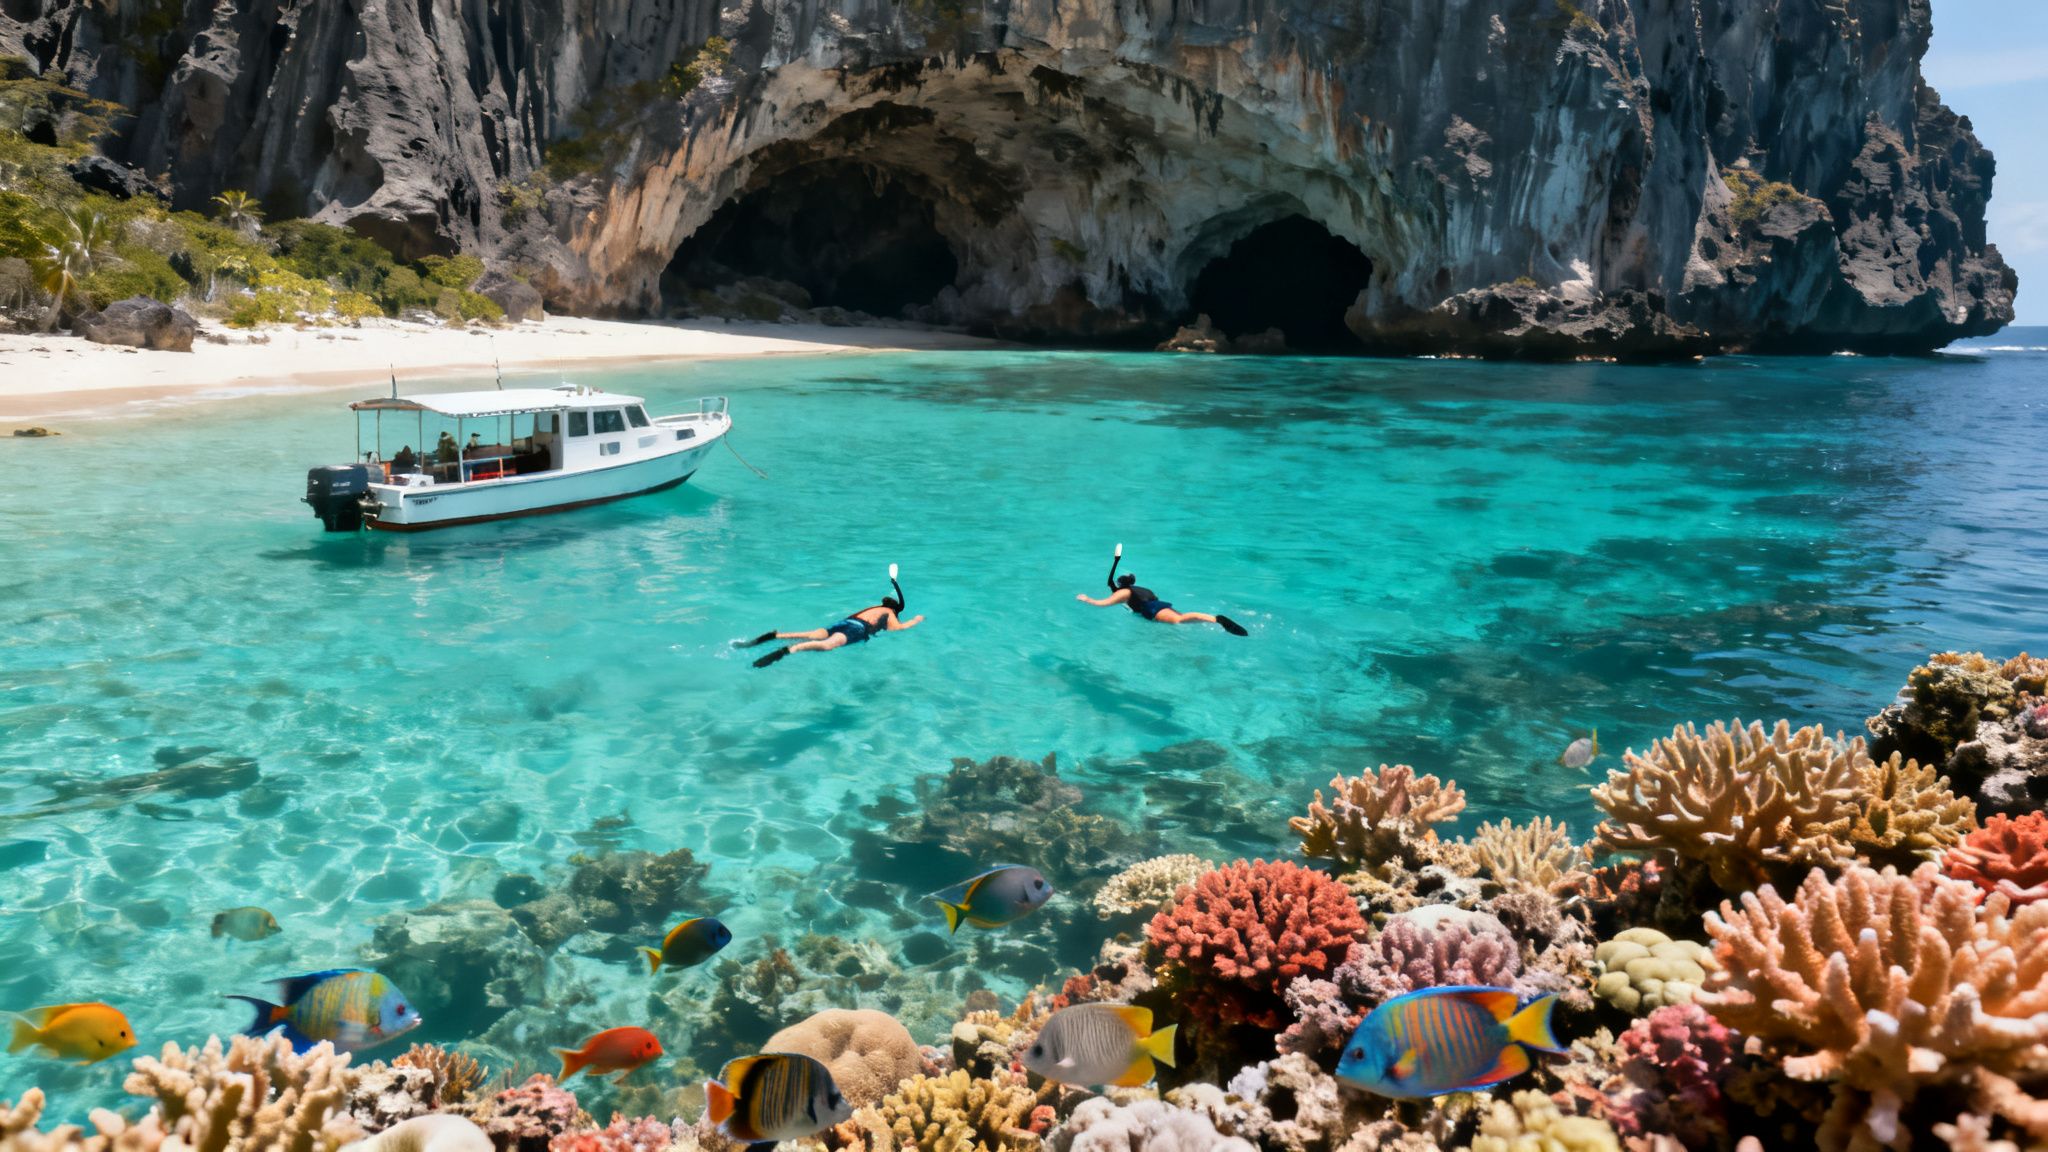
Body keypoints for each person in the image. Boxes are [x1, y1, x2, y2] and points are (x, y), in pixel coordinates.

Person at [740, 566, 924, 668]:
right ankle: (788, 650)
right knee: (827, 646)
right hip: (857, 629)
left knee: (811, 634)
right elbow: (896, 628)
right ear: (895, 610)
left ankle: (773, 636)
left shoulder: (875, 608)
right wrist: (913, 621)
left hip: (846, 622)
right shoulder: (889, 613)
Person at [1077, 545, 1248, 635]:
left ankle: (1216, 619)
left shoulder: (1124, 593)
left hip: (1152, 610)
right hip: (1159, 605)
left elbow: (1104, 603)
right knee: (1180, 621)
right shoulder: (1140, 589)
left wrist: (1088, 599)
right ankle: (1215, 619)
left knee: (1179, 620)